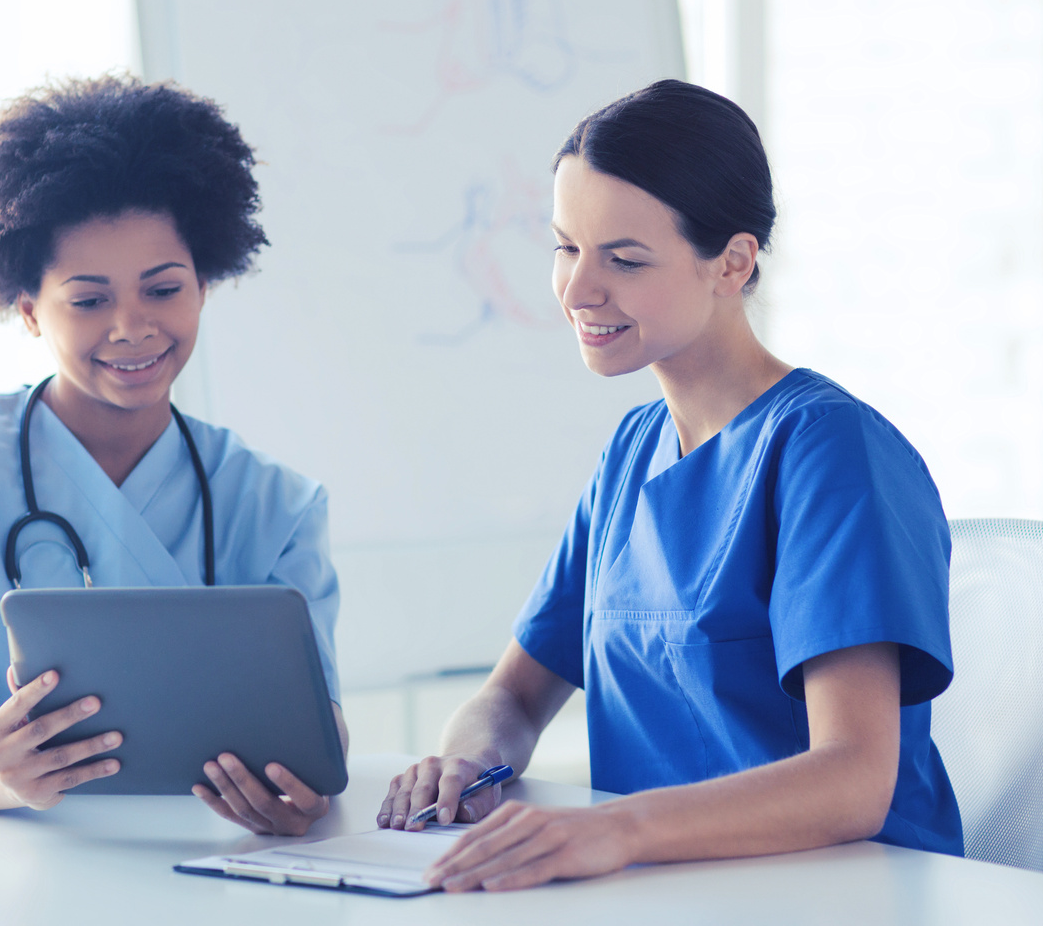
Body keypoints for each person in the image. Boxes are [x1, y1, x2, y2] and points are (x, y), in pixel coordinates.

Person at [378, 79, 962, 889]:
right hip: (670, 892)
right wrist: (464, 759)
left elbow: (854, 779)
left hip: (841, 895)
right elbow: (513, 698)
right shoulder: (633, 450)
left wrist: (614, 829)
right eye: (565, 247)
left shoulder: (829, 451)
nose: (579, 289)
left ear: (732, 262)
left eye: (623, 259)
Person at [0, 75, 345, 835]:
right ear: (29, 309)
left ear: (205, 285)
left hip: (191, 865)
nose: (132, 327)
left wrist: (296, 793)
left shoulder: (275, 506)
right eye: (90, 300)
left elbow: (319, 733)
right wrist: (1, 774)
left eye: (164, 289)